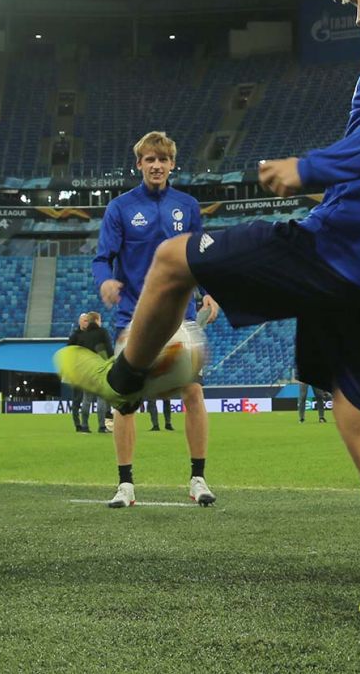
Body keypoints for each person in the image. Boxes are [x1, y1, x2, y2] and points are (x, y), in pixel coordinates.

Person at [59, 0, 360, 620]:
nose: (356, 15)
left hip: (343, 251)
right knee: (358, 420)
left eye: (355, 0)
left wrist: (311, 167)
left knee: (173, 260)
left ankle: (121, 382)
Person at [86, 131, 216, 510]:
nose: (156, 165)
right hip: (135, 317)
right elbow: (101, 259)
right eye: (149, 159)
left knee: (193, 393)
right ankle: (125, 485)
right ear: (139, 164)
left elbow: (199, 254)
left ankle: (198, 478)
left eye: (162, 159)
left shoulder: (187, 205)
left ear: (172, 164)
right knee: (125, 400)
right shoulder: (120, 208)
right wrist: (105, 281)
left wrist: (209, 288)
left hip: (181, 316)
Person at [65, 313, 110, 432]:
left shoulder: (83, 336)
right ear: (96, 320)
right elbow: (108, 349)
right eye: (100, 320)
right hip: (99, 369)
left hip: (86, 370)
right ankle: (101, 426)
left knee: (86, 399)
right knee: (101, 399)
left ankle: (84, 425)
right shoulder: (102, 332)